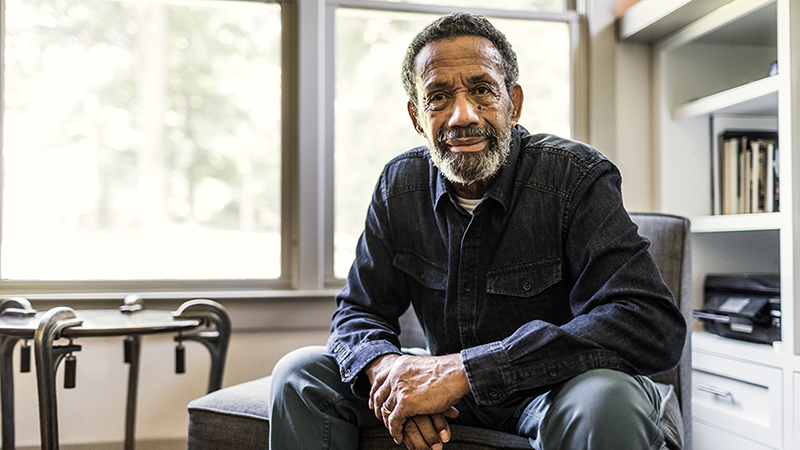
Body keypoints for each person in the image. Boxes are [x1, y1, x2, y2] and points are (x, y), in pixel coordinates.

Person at [269, 11, 686, 450]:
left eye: (483, 91)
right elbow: (357, 313)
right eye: (439, 97)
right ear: (416, 116)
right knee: (300, 375)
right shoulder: (398, 187)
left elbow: (649, 324)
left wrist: (464, 371)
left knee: (609, 397)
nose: (462, 116)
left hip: (556, 390)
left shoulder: (577, 178)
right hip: (448, 393)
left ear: (514, 102)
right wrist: (390, 371)